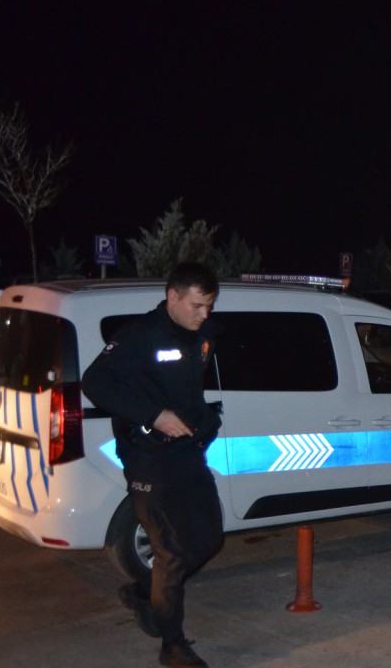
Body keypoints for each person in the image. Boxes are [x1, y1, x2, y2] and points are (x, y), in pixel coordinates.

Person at [82, 262, 223, 668]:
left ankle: (146, 592)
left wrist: (204, 421)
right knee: (172, 551)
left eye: (210, 306)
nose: (205, 314)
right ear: (173, 297)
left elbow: (189, 389)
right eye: (197, 305)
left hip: (187, 454)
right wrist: (153, 415)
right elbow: (94, 383)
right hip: (148, 458)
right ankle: (172, 645)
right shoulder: (140, 336)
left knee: (209, 540)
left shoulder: (203, 335)